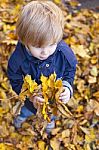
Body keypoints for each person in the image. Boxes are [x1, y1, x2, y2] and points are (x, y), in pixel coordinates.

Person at [7, 0, 78, 134]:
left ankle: (49, 122)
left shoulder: (64, 53)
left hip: (53, 99)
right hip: (30, 100)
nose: (45, 52)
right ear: (25, 41)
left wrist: (67, 86)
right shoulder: (18, 59)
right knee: (26, 110)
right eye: (38, 47)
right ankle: (22, 117)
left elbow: (70, 69)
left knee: (50, 113)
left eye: (51, 45)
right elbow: (14, 78)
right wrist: (30, 96)